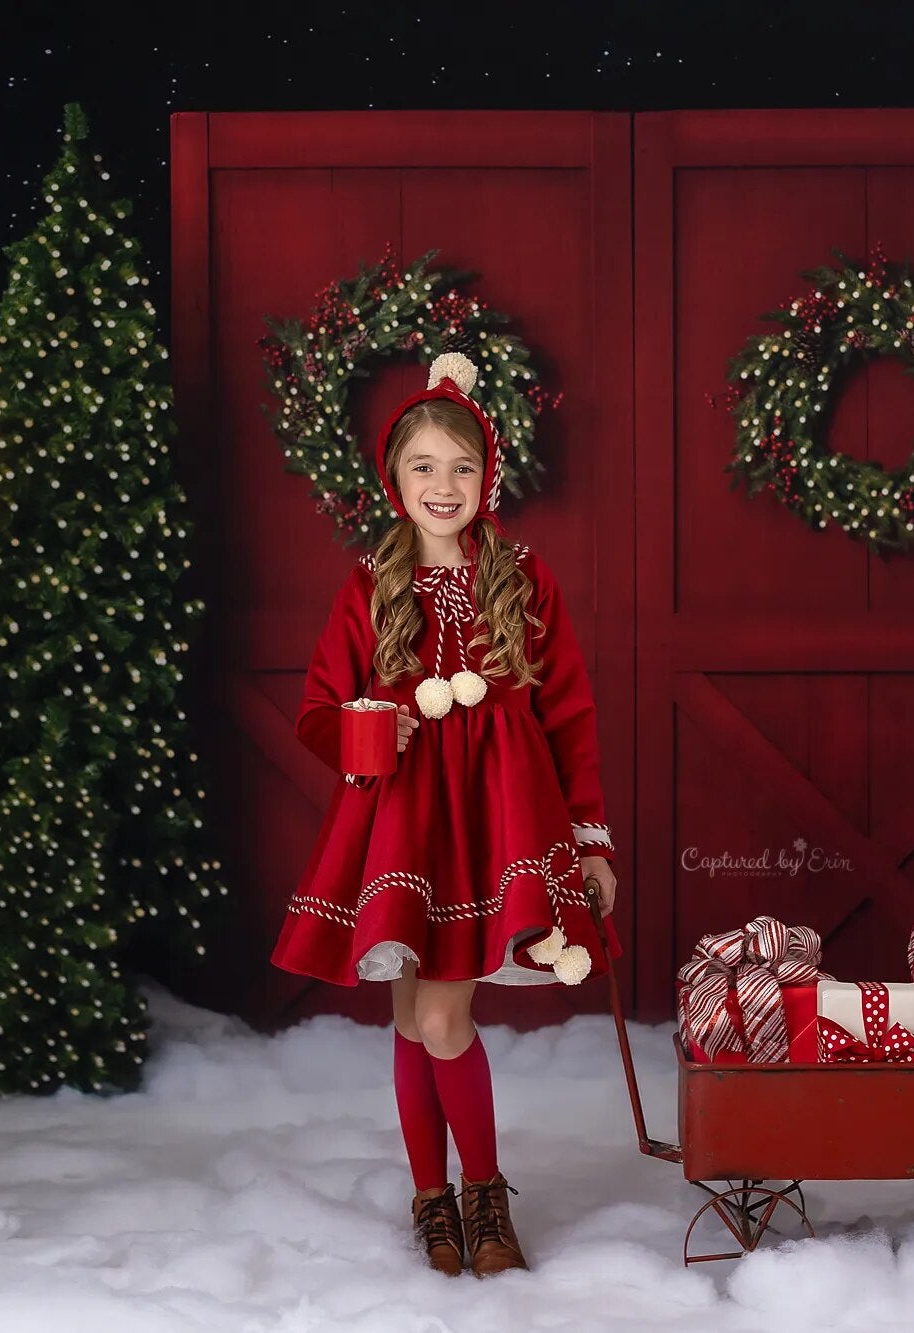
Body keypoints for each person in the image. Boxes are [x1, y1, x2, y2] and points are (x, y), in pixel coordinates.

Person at [270, 352, 623, 1279]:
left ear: (488, 479)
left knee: (439, 1020)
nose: (443, 485)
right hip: (406, 825)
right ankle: (433, 1200)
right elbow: (315, 708)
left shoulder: (523, 580)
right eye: (423, 466)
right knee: (409, 1018)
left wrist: (588, 836)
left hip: (502, 822)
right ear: (394, 480)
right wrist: (363, 731)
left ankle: (487, 1192)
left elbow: (570, 714)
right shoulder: (369, 586)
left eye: (462, 467)